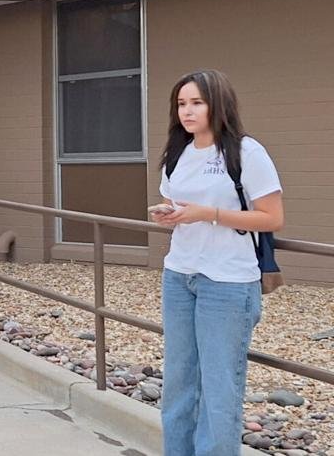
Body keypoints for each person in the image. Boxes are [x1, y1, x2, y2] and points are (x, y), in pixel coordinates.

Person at [152, 69, 284, 456]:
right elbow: (181, 205)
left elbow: (271, 218)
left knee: (219, 387)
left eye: (197, 102)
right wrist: (170, 214)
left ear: (218, 105)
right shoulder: (177, 153)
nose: (187, 112)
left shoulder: (245, 151)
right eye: (181, 104)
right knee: (178, 381)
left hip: (226, 283)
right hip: (179, 276)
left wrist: (208, 214)